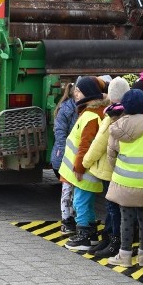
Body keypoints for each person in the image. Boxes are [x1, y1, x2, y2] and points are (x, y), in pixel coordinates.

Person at [105, 89, 143, 268]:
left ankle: (125, 256)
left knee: (126, 219)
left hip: (124, 181)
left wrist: (119, 171)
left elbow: (111, 156)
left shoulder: (118, 126)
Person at [82, 76, 129, 258]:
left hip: (110, 170)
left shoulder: (112, 115)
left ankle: (111, 240)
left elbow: (99, 143)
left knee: (112, 208)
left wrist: (86, 162)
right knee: (115, 208)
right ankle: (110, 238)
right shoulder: (126, 113)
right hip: (119, 169)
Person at [59, 76, 108, 251]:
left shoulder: (91, 116)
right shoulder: (92, 113)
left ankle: (85, 236)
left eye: (79, 91)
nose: (75, 93)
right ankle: (91, 234)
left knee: (80, 203)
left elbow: (85, 145)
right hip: (84, 170)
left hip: (84, 171)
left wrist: (79, 167)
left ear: (87, 93)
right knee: (84, 202)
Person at [51, 81, 78, 235]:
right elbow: (60, 132)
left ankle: (71, 218)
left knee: (71, 190)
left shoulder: (76, 108)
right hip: (65, 156)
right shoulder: (67, 109)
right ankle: (67, 220)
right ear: (75, 92)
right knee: (68, 190)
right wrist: (66, 152)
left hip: (69, 155)